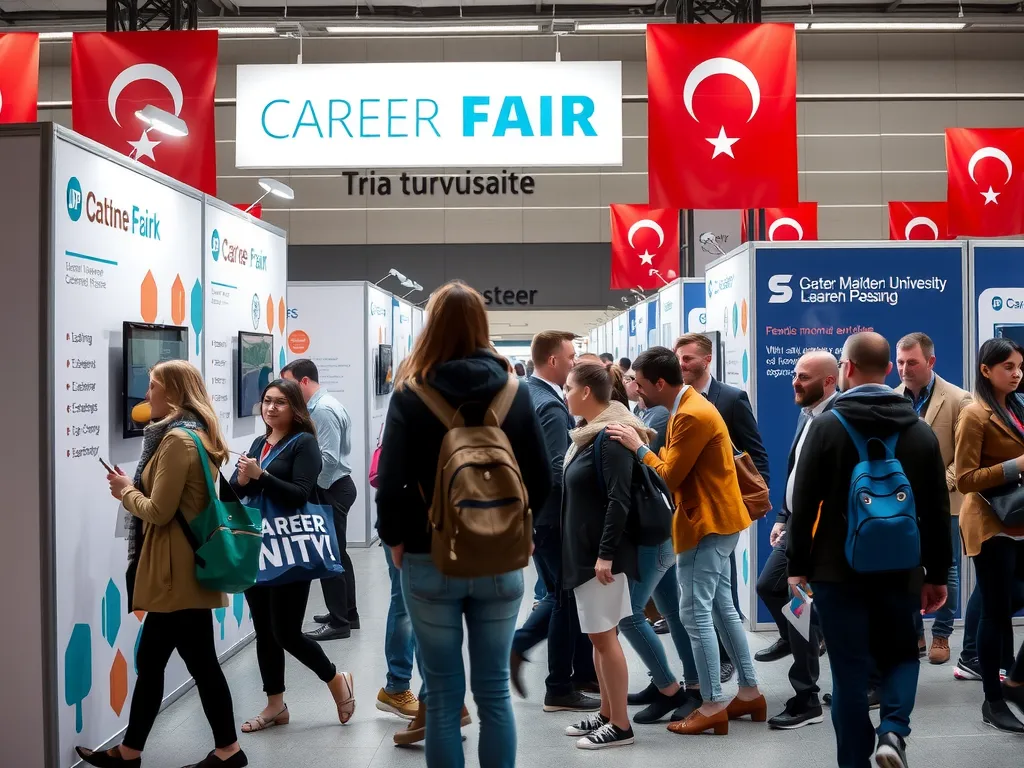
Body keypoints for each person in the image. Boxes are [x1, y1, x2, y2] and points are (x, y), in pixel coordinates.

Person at [375, 280, 554, 768]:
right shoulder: (515, 392)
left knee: (445, 696)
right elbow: (541, 479)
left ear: (431, 326)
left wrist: (396, 540)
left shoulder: (411, 395)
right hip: (500, 560)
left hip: (427, 556)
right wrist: (522, 530)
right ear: (482, 324)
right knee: (494, 692)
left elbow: (389, 483)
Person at [788, 332, 950, 768]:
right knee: (900, 655)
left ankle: (853, 762)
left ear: (849, 370)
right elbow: (937, 510)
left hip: (836, 571)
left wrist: (797, 567)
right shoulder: (919, 432)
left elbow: (802, 506)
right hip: (900, 570)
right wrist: (936, 574)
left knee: (848, 675)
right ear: (886, 369)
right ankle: (893, 731)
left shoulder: (825, 427)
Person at [75, 361, 247, 768]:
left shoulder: (176, 442)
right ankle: (134, 752)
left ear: (171, 394)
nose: (146, 395)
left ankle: (227, 751)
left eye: (152, 387)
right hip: (182, 572)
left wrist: (125, 491)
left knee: (188, 664)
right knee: (160, 663)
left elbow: (158, 511)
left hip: (177, 575)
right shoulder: (194, 435)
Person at [607, 347, 765, 737]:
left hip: (708, 523)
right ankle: (748, 692)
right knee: (722, 608)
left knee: (695, 612)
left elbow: (668, 476)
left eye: (640, 385)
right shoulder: (690, 405)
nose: (637, 392)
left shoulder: (691, 413)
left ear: (660, 383)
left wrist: (637, 447)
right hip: (714, 520)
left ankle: (712, 703)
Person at [233, 378, 356, 733]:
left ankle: (335, 679)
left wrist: (261, 475)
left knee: (286, 632)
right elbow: (233, 493)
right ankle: (275, 706)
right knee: (264, 631)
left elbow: (299, 494)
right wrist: (241, 479)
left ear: (295, 408)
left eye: (280, 402)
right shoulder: (259, 442)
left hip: (291, 549)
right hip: (259, 549)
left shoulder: (305, 444)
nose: (271, 408)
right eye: (267, 401)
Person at [510, 330, 600, 713]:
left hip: (536, 516)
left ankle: (580, 674)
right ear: (552, 361)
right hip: (552, 518)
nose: (574, 362)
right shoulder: (549, 403)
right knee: (564, 598)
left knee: (567, 595)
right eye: (569, 356)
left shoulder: (526, 393)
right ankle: (558, 686)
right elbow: (554, 468)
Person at [675, 333, 770, 681]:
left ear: (707, 359)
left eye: (689, 358)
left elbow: (755, 454)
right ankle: (729, 667)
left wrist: (752, 501)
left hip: (723, 511)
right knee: (712, 598)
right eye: (679, 358)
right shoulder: (676, 401)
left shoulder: (730, 398)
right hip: (690, 512)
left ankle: (721, 672)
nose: (683, 364)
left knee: (715, 593)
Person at [561, 362, 643, 749]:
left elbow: (619, 499)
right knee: (599, 635)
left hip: (602, 556)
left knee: (604, 636)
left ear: (586, 394)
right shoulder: (588, 435)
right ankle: (608, 712)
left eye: (568, 387)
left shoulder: (610, 437)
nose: (565, 393)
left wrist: (606, 554)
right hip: (586, 551)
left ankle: (621, 725)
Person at [755, 350, 838, 730]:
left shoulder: (836, 418)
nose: (795, 382)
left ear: (829, 381)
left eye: (804, 377)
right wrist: (785, 516)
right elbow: (796, 474)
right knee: (769, 587)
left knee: (799, 606)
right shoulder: (808, 414)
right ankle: (810, 636)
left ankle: (805, 696)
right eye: (795, 374)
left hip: (819, 534)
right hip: (796, 527)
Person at [954, 337, 1024, 732]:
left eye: (1019, 367)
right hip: (990, 522)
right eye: (1008, 367)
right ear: (986, 370)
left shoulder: (1018, 407)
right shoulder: (975, 415)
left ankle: (1013, 678)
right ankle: (993, 702)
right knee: (996, 612)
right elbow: (965, 479)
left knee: (1006, 604)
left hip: (1020, 520)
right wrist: (1015, 465)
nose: (1016, 374)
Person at [894, 332, 972, 665]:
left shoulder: (959, 399)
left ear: (931, 361)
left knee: (947, 569)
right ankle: (915, 635)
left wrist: (937, 484)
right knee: (905, 568)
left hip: (946, 500)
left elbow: (964, 457)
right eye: (899, 362)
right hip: (900, 503)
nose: (904, 369)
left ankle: (941, 634)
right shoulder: (891, 399)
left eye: (911, 362)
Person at [279, 359, 360, 644]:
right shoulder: (322, 407)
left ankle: (339, 622)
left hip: (331, 488)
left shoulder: (322, 411)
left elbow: (328, 460)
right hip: (335, 487)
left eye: (289, 384)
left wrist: (305, 488)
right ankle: (348, 614)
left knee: (330, 557)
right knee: (339, 555)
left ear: (303, 382)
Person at [625, 368, 669, 453]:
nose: (626, 383)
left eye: (629, 379)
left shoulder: (660, 412)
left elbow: (650, 451)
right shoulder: (638, 408)